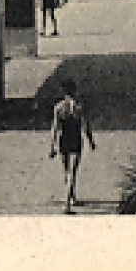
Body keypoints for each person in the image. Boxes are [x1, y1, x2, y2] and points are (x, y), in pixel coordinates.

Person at [48, 79, 96, 213]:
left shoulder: (58, 108)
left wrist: (52, 147)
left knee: (66, 170)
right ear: (75, 90)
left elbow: (55, 128)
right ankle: (67, 204)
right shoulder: (80, 107)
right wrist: (91, 141)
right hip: (76, 139)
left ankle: (71, 196)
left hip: (63, 140)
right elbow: (86, 126)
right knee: (72, 173)